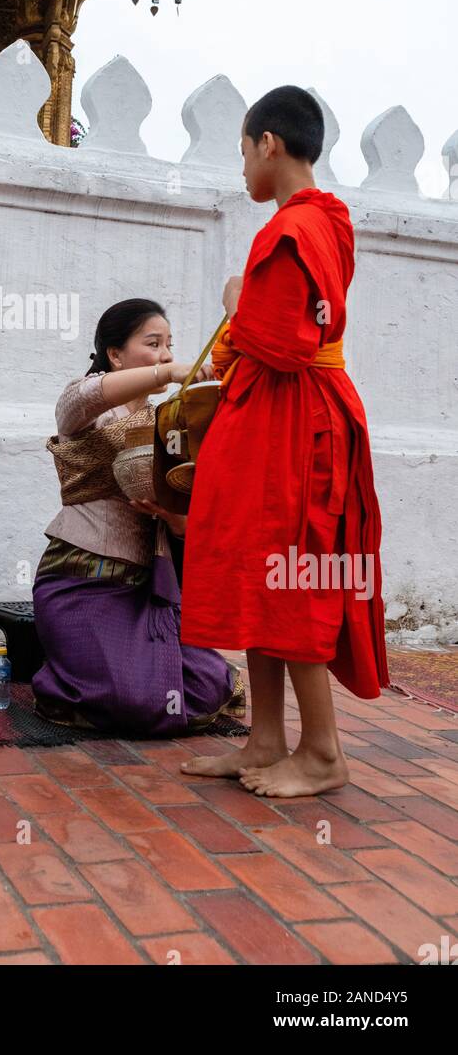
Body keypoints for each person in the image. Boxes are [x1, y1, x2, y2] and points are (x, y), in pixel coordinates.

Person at [180, 86, 388, 798]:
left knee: (291, 575)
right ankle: (265, 739)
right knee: (256, 572)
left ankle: (323, 752)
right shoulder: (320, 221)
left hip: (294, 422)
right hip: (279, 418)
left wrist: (236, 307)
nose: (240, 169)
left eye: (242, 151)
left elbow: (287, 343)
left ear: (268, 142)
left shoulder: (295, 227)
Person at [31, 299, 244, 735]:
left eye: (170, 346)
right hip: (82, 581)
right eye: (154, 344)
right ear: (114, 353)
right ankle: (61, 683)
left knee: (206, 687)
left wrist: (174, 517)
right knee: (131, 699)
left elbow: (190, 516)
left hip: (148, 589)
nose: (167, 355)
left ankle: (116, 671)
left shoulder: (170, 421)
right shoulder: (89, 406)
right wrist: (169, 374)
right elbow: (79, 398)